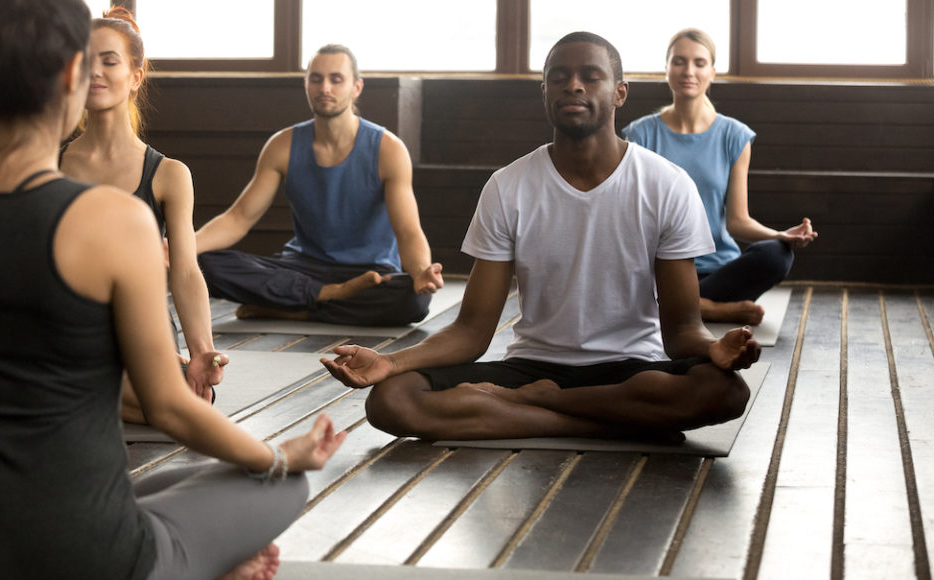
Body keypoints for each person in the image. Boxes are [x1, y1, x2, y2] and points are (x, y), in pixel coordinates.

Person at [0, 0, 344, 580]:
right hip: (82, 567)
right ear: (73, 76)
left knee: (159, 485)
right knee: (275, 480)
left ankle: (175, 545)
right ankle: (192, 559)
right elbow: (169, 406)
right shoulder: (114, 221)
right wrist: (283, 454)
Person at [321, 31, 758, 442]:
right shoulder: (508, 186)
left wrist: (713, 348)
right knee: (391, 400)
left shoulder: (666, 184)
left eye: (591, 76)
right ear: (545, 92)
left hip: (632, 371)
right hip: (532, 367)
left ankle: (541, 406)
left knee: (725, 391)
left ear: (619, 93)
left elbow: (682, 330)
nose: (574, 87)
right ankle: (605, 425)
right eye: (559, 78)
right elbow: (472, 332)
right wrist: (390, 362)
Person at [196, 44, 443, 326]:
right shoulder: (282, 146)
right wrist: (181, 248)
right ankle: (329, 296)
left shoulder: (389, 150)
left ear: (356, 88)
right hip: (303, 268)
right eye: (316, 79)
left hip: (369, 272)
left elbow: (408, 231)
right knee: (204, 264)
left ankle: (295, 308)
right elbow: (239, 218)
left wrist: (422, 270)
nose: (325, 87)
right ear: (306, 85)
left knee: (414, 301)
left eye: (336, 79)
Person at [60, 5, 225, 423]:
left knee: (189, 400)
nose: (95, 71)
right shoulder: (51, 164)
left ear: (135, 76)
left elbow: (185, 272)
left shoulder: (169, 174)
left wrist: (201, 350)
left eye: (109, 60)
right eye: (85, 61)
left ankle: (67, 394)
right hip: (67, 328)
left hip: (141, 330)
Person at [623, 28, 818, 325]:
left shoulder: (734, 135)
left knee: (778, 255)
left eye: (699, 63)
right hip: (661, 269)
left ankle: (681, 306)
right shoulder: (640, 134)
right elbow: (633, 221)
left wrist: (780, 236)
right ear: (666, 69)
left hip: (717, 269)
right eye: (679, 61)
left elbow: (737, 221)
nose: (689, 71)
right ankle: (710, 309)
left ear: (712, 72)